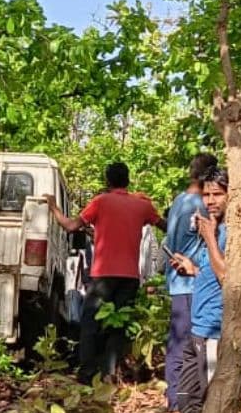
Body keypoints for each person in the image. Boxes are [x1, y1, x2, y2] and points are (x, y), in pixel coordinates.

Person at [45, 163, 163, 384]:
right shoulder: (142, 206)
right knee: (118, 327)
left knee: (90, 323)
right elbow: (165, 225)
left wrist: (53, 207)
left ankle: (87, 374)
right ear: (128, 180)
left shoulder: (101, 202)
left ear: (108, 181)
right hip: (129, 277)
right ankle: (110, 373)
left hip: (103, 276)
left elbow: (71, 226)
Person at [169, 169, 228, 413]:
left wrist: (211, 238)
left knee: (203, 406)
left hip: (213, 333)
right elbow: (210, 272)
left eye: (217, 194)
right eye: (206, 194)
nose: (210, 200)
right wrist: (192, 268)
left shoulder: (229, 232)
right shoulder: (213, 230)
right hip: (196, 328)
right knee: (184, 399)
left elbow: (228, 276)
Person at [160, 153, 217, 410]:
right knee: (189, 342)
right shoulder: (200, 206)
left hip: (177, 280)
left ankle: (176, 396)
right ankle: (179, 399)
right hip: (191, 281)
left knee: (178, 340)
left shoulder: (178, 201)